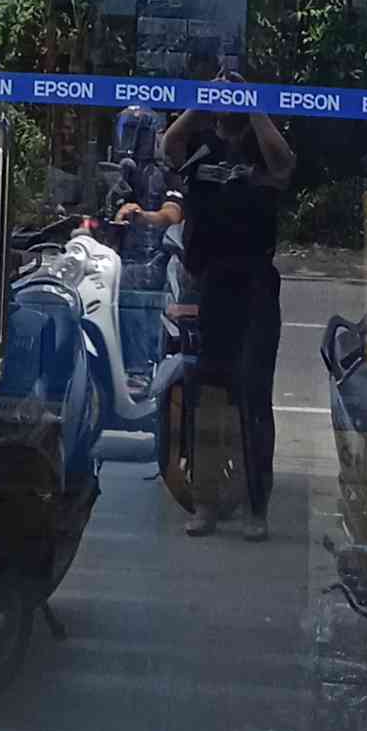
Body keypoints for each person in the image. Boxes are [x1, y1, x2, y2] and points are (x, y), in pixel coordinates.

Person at [122, 104, 293, 538]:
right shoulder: (201, 147)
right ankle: (205, 503)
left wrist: (254, 107)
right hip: (210, 284)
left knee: (253, 394)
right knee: (206, 396)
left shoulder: (260, 147)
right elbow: (170, 146)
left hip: (255, 283)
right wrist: (201, 103)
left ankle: (256, 507)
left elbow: (283, 164)